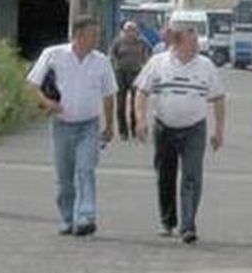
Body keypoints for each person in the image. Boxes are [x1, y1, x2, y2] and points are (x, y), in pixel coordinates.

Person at [133, 22, 226, 244]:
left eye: (197, 41)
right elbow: (141, 92)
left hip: (194, 127)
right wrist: (140, 120)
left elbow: (219, 98)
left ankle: (188, 225)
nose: (196, 45)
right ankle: (168, 220)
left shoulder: (206, 66)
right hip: (165, 126)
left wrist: (218, 130)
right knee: (166, 175)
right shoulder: (158, 63)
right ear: (177, 41)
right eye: (191, 41)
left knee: (192, 176)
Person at [26, 16, 117, 236]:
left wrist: (110, 124)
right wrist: (47, 102)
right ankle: (68, 217)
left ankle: (86, 216)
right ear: (78, 35)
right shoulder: (54, 55)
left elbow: (109, 94)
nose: (96, 39)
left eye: (97, 35)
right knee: (65, 178)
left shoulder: (101, 60)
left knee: (86, 170)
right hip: (62, 124)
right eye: (92, 34)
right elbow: (32, 84)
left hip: (89, 125)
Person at [108, 20, 152, 140]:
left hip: (136, 74)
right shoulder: (118, 41)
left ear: (136, 31)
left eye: (133, 30)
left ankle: (134, 128)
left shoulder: (142, 42)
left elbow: (149, 53)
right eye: (128, 30)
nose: (131, 33)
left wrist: (145, 65)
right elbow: (111, 54)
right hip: (120, 73)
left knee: (135, 103)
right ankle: (123, 131)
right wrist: (115, 65)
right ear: (124, 31)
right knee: (120, 103)